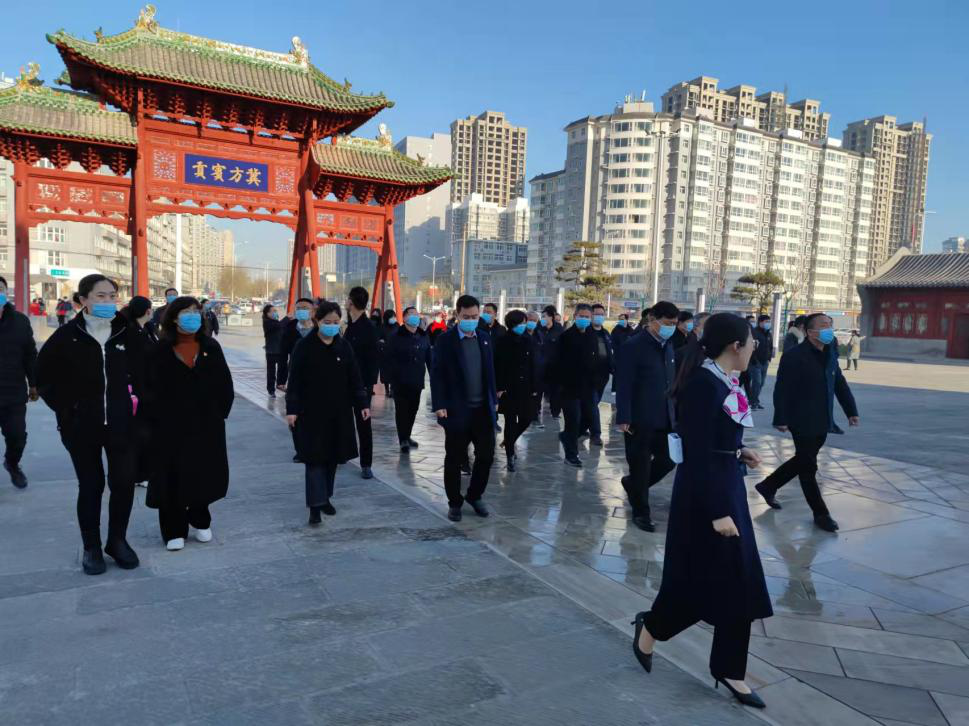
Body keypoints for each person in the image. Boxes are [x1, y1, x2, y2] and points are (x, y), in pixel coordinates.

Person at [632, 313, 772, 710]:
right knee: (696, 581)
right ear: (735, 346)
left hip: (726, 486)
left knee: (738, 582)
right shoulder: (702, 386)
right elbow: (694, 454)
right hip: (706, 498)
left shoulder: (725, 380)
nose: (755, 346)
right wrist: (717, 511)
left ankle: (728, 669)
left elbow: (713, 438)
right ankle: (651, 628)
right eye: (751, 340)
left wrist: (738, 450)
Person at [36, 274, 142, 575]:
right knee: (91, 484)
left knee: (123, 482)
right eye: (100, 296)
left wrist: (140, 407)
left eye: (112, 296)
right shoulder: (67, 336)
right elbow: (44, 376)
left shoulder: (127, 333)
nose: (108, 302)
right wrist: (68, 409)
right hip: (81, 427)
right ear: (83, 300)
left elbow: (149, 374)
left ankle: (117, 541)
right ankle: (91, 546)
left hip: (122, 425)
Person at [754, 313, 859, 532]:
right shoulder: (794, 356)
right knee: (808, 466)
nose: (829, 329)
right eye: (824, 325)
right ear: (811, 332)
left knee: (803, 460)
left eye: (830, 325)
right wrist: (781, 418)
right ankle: (821, 514)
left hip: (823, 419)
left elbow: (839, 383)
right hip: (801, 419)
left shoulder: (830, 353)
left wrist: (851, 411)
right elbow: (782, 389)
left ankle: (768, 485)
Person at [145, 297, 234, 551]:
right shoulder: (160, 350)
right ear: (174, 317)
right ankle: (173, 529)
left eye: (196, 311)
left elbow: (224, 383)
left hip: (206, 424)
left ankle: (200, 518)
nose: (193, 316)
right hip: (169, 426)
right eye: (186, 312)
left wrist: (219, 413)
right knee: (171, 475)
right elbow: (149, 387)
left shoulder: (210, 346)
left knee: (202, 471)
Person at [286, 302, 369, 524]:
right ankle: (315, 506)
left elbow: (355, 378)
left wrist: (362, 403)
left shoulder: (344, 347)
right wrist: (292, 409)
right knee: (315, 459)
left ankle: (325, 498)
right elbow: (294, 381)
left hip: (339, 412)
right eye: (327, 322)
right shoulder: (304, 347)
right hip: (310, 413)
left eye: (336, 322)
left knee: (332, 457)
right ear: (317, 321)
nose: (332, 326)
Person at [430, 294, 498, 521]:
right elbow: (437, 374)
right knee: (455, 458)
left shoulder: (484, 338)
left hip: (482, 410)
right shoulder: (445, 340)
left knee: (486, 456)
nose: (471, 320)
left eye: (475, 316)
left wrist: (493, 398)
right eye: (466, 317)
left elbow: (489, 371)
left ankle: (475, 495)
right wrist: (439, 404)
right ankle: (454, 502)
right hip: (457, 409)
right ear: (457, 315)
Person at [615, 301, 679, 530]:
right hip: (639, 418)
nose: (671, 327)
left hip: (665, 417)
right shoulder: (633, 346)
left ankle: (633, 485)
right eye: (667, 323)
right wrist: (624, 416)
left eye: (674, 323)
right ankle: (641, 513)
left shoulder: (668, 345)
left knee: (669, 460)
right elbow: (624, 383)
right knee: (640, 466)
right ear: (652, 320)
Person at [547, 303, 608, 467]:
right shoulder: (566, 337)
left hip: (588, 386)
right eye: (582, 316)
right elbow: (557, 362)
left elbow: (595, 359)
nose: (584, 319)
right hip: (569, 387)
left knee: (588, 417)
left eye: (587, 317)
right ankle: (571, 455)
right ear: (575, 316)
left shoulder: (591, 335)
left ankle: (567, 437)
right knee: (572, 421)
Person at [0, 276, 37, 489]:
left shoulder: (20, 322)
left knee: (17, 437)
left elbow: (30, 354)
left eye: (0, 289)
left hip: (13, 392)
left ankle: (12, 464)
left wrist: (34, 383)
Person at [494, 310, 539, 471]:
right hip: (509, 388)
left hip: (526, 387)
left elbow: (533, 364)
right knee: (510, 421)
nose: (524, 326)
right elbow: (498, 366)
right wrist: (500, 387)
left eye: (524, 323)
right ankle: (510, 455)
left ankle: (509, 441)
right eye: (521, 323)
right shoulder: (502, 341)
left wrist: (534, 386)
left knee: (527, 418)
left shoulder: (528, 340)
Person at [120, 295, 157, 486]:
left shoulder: (147, 329)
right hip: (138, 391)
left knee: (147, 434)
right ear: (147, 311)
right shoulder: (131, 332)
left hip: (149, 389)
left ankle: (143, 472)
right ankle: (139, 475)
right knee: (140, 435)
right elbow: (135, 364)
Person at [385, 306, 432, 453]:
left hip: (417, 380)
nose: (414, 317)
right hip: (400, 381)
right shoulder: (395, 336)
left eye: (416, 314)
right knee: (402, 411)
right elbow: (388, 358)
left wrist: (434, 376)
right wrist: (390, 379)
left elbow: (429, 358)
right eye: (411, 314)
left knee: (413, 409)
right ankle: (403, 439)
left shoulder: (423, 335)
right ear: (404, 318)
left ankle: (408, 435)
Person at [343, 286, 378, 479]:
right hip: (345, 382)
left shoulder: (368, 327)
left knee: (363, 424)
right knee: (343, 421)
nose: (346, 302)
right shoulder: (350, 325)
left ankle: (366, 464)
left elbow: (373, 360)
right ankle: (343, 454)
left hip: (362, 385)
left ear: (351, 302)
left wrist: (367, 387)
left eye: (347, 299)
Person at [583, 303, 615, 446]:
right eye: (596, 314)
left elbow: (610, 353)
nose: (599, 317)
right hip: (588, 375)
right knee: (592, 404)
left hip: (603, 375)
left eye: (602, 314)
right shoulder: (585, 332)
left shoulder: (605, 333)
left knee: (592, 404)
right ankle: (596, 434)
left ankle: (581, 427)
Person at [540, 305, 564, 420]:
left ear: (551, 317)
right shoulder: (538, 328)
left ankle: (555, 412)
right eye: (542, 316)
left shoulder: (559, 330)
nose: (543, 318)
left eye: (544, 316)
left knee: (556, 391)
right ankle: (535, 413)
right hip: (540, 367)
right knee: (538, 390)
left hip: (555, 367)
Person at [747, 315, 773, 411]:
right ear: (760, 322)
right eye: (766, 321)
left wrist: (769, 358)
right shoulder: (754, 332)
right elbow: (751, 347)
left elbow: (770, 346)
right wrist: (754, 359)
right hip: (755, 362)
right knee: (757, 382)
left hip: (765, 362)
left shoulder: (768, 333)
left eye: (769, 321)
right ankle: (752, 402)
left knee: (761, 383)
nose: (768, 323)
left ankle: (755, 400)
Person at [261, 304, 287, 397]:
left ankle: (280, 385)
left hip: (280, 350)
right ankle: (271, 390)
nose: (276, 312)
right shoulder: (267, 322)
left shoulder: (275, 322)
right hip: (271, 351)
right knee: (271, 372)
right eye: (274, 311)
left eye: (276, 311)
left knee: (283, 369)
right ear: (268, 313)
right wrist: (287, 318)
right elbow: (279, 325)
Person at [377, 308, 399, 398]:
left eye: (394, 316)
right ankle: (387, 389)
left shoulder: (397, 326)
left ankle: (392, 389)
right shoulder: (382, 327)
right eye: (391, 317)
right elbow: (379, 340)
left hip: (395, 353)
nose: (393, 318)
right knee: (385, 373)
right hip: (384, 354)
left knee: (394, 372)